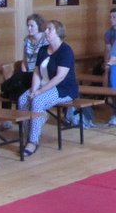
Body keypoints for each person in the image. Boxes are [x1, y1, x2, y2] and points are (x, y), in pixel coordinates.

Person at [17, 20, 79, 156]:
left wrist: (39, 92)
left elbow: (60, 77)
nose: (46, 31)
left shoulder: (66, 51)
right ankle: (28, 135)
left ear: (58, 32)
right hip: (43, 86)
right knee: (23, 99)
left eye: (49, 29)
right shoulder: (43, 49)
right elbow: (37, 72)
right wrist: (34, 90)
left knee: (37, 101)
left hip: (63, 88)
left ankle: (33, 141)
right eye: (46, 29)